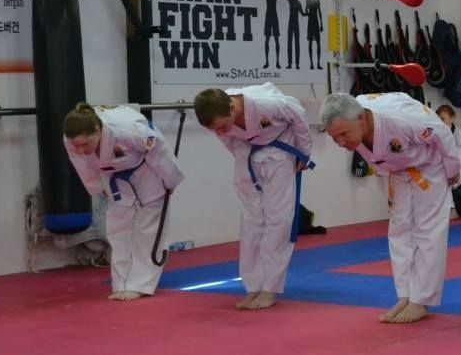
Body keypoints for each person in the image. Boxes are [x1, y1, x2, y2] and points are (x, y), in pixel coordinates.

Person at [320, 92, 460, 323]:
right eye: (335, 138)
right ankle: (405, 295)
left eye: (344, 134)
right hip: (395, 170)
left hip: (429, 166)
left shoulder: (404, 119)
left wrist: (453, 170)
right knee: (399, 231)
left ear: (361, 119)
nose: (342, 143)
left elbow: (443, 134)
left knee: (428, 232)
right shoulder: (352, 115)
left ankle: (420, 300)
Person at [194, 82, 313, 311]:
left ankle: (270, 288)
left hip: (280, 148)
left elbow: (298, 116)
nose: (219, 131)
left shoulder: (266, 104)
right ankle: (252, 286)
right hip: (246, 151)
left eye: (222, 126)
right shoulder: (215, 116)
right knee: (251, 220)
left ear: (231, 108)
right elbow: (227, 140)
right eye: (214, 129)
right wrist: (242, 158)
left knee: (278, 219)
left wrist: (304, 153)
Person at [63, 102, 185, 301]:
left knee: (148, 228)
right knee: (117, 228)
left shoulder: (128, 130)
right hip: (111, 176)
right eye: (77, 146)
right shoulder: (71, 139)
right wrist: (96, 187)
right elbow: (83, 166)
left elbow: (160, 150)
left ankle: (141, 284)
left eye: (86, 144)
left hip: (147, 169)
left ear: (98, 130)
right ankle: (121, 283)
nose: (82, 150)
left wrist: (169, 179)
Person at [436, 104, 461, 220]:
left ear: (452, 118)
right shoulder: (439, 136)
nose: (441, 122)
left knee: (445, 181)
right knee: (436, 179)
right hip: (447, 171)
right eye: (438, 120)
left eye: (443, 119)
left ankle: (452, 210)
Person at [253, 0, 285, 70]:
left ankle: (277, 62)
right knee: (267, 39)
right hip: (269, 15)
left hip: (273, 15)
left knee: (276, 39)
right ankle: (267, 61)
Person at [283, 0, 303, 70]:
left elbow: (302, 13)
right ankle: (290, 63)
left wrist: (308, 13)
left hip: (295, 24)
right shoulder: (291, 0)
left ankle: (297, 64)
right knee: (290, 43)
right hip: (291, 23)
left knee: (296, 44)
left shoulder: (298, 3)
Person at [305, 0, 324, 70]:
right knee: (310, 43)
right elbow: (306, 9)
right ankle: (312, 63)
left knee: (318, 43)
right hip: (311, 21)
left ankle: (318, 63)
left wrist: (321, 24)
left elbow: (319, 12)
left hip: (315, 21)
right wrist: (308, 14)